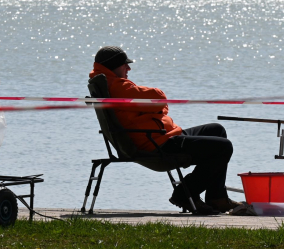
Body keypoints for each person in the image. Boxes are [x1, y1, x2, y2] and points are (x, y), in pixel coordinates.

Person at [90, 45, 238, 215]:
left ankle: (216, 198)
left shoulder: (108, 84)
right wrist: (159, 106)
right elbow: (159, 99)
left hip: (162, 135)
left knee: (216, 130)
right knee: (223, 147)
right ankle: (185, 193)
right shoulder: (117, 86)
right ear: (113, 66)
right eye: (125, 64)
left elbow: (156, 106)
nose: (129, 68)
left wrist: (157, 110)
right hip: (158, 142)